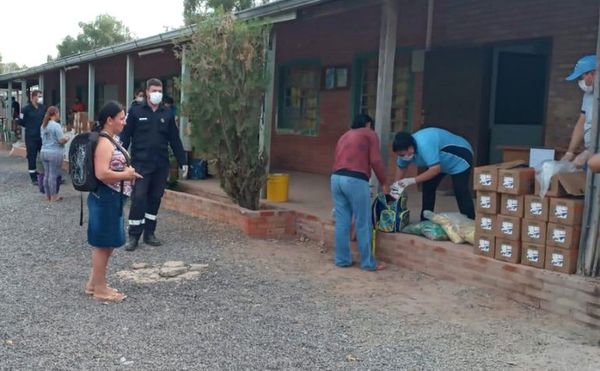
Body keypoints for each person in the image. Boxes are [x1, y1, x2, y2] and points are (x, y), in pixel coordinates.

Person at [120, 78, 188, 251]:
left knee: (155, 198)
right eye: (154, 90)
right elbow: (125, 137)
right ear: (147, 92)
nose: (157, 93)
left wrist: (183, 161)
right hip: (140, 165)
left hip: (160, 164)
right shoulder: (135, 112)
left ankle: (149, 234)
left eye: (160, 90)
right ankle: (133, 236)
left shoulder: (167, 113)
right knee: (139, 198)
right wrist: (120, 159)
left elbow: (174, 139)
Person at [85, 101, 142, 302]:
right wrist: (126, 174)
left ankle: (94, 284)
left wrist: (129, 173)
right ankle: (100, 289)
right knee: (103, 245)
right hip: (106, 198)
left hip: (112, 198)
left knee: (107, 244)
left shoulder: (112, 140)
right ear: (110, 120)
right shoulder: (104, 143)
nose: (124, 122)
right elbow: (102, 173)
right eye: (121, 118)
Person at [331, 113, 388, 271]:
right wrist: (384, 182)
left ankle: (342, 259)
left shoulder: (344, 136)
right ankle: (368, 263)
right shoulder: (369, 134)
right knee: (363, 221)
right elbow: (376, 160)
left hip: (336, 178)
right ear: (368, 124)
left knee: (342, 221)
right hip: (355, 179)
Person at [393, 127, 475, 221]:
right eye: (400, 155)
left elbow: (435, 170)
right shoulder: (403, 152)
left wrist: (411, 180)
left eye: (403, 155)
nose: (402, 157)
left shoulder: (424, 144)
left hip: (460, 157)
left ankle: (470, 222)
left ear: (410, 148)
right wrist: (396, 187)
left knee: (460, 190)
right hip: (441, 163)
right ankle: (425, 220)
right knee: (428, 186)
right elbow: (401, 167)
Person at [561, 55, 596, 167]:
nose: (581, 81)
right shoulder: (588, 95)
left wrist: (589, 152)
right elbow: (582, 122)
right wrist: (570, 152)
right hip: (591, 152)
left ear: (593, 73)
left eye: (582, 77)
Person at [40, 106, 69, 202]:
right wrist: (67, 138)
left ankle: (47, 196)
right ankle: (53, 196)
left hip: (44, 151)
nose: (59, 114)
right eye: (58, 112)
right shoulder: (56, 125)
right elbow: (61, 140)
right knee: (53, 175)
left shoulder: (43, 125)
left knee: (46, 175)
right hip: (54, 153)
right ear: (55, 113)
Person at [17, 90, 45, 184]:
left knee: (44, 155)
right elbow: (20, 121)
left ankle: (47, 175)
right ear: (33, 97)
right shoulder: (25, 109)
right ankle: (33, 178)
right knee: (32, 156)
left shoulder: (42, 108)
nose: (40, 98)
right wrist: (30, 126)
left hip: (41, 136)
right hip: (31, 137)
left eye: (41, 96)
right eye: (39, 96)